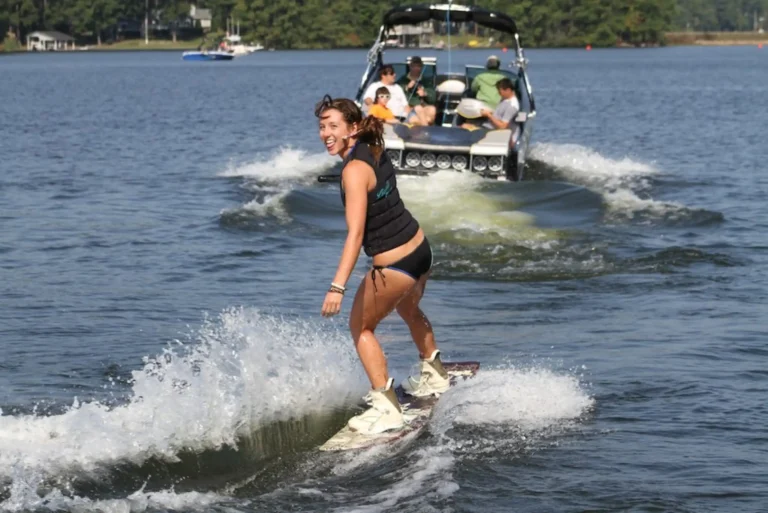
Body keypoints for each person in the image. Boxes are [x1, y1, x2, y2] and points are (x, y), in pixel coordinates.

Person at [315, 95, 450, 435]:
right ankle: (434, 371)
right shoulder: (374, 145)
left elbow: (356, 234)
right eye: (322, 126)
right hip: (421, 249)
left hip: (395, 264)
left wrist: (337, 287)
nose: (326, 133)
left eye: (334, 126)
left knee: (360, 328)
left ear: (353, 128)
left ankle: (387, 407)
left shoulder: (353, 171)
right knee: (408, 307)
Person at [396, 56, 437, 125]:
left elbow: (433, 98)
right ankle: (427, 129)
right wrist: (407, 87)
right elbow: (396, 92)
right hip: (409, 108)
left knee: (432, 110)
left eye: (418, 66)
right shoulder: (402, 80)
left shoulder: (426, 81)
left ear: (421, 67)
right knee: (419, 112)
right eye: (413, 66)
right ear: (410, 66)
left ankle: (425, 127)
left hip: (423, 107)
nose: (416, 68)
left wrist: (425, 93)